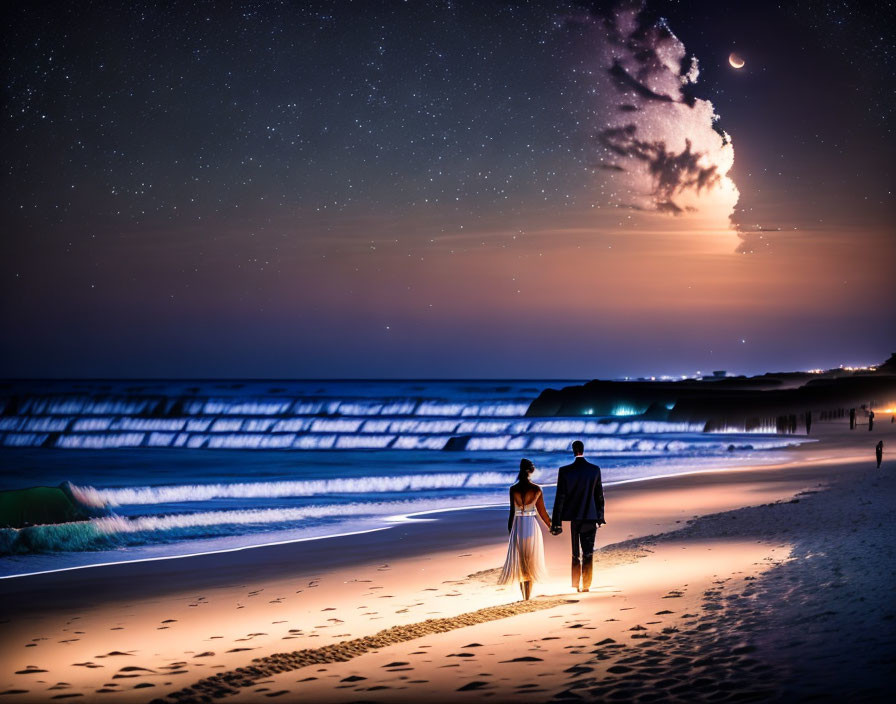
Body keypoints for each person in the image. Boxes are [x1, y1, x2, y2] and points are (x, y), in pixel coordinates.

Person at [551, 440, 605, 593]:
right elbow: (599, 496)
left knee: (576, 553)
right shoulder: (594, 470)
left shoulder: (565, 471)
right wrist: (600, 517)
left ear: (573, 451)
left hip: (575, 517)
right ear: (583, 450)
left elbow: (560, 498)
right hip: (590, 516)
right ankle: (586, 585)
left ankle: (576, 584)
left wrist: (557, 523)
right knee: (588, 552)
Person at [498, 458, 551, 601]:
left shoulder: (513, 489)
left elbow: (511, 513)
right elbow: (542, 512)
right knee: (531, 560)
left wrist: (511, 532)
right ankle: (528, 595)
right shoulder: (536, 489)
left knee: (522, 562)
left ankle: (524, 596)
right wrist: (552, 526)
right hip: (530, 526)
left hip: (518, 526)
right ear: (531, 470)